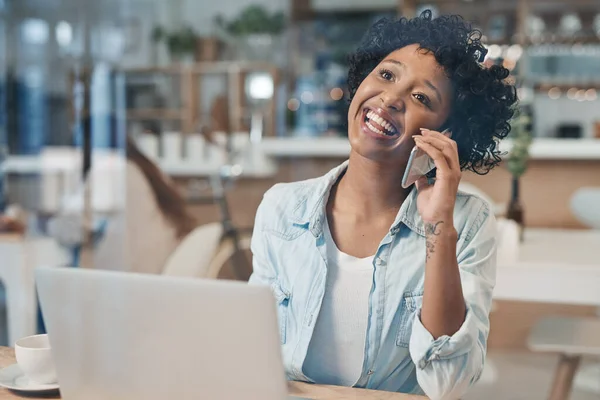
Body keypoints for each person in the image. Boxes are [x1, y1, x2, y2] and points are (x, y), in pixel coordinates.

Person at [249, 11, 516, 400]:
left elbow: (448, 385)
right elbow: (255, 355)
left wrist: (437, 225)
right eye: (387, 75)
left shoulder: (467, 221)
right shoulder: (281, 209)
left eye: (421, 97)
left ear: (445, 133)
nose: (390, 99)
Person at [49, 132, 196, 274]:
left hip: (124, 282)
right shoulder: (150, 170)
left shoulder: (108, 170)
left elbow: (73, 229)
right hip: (157, 274)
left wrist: (50, 223)